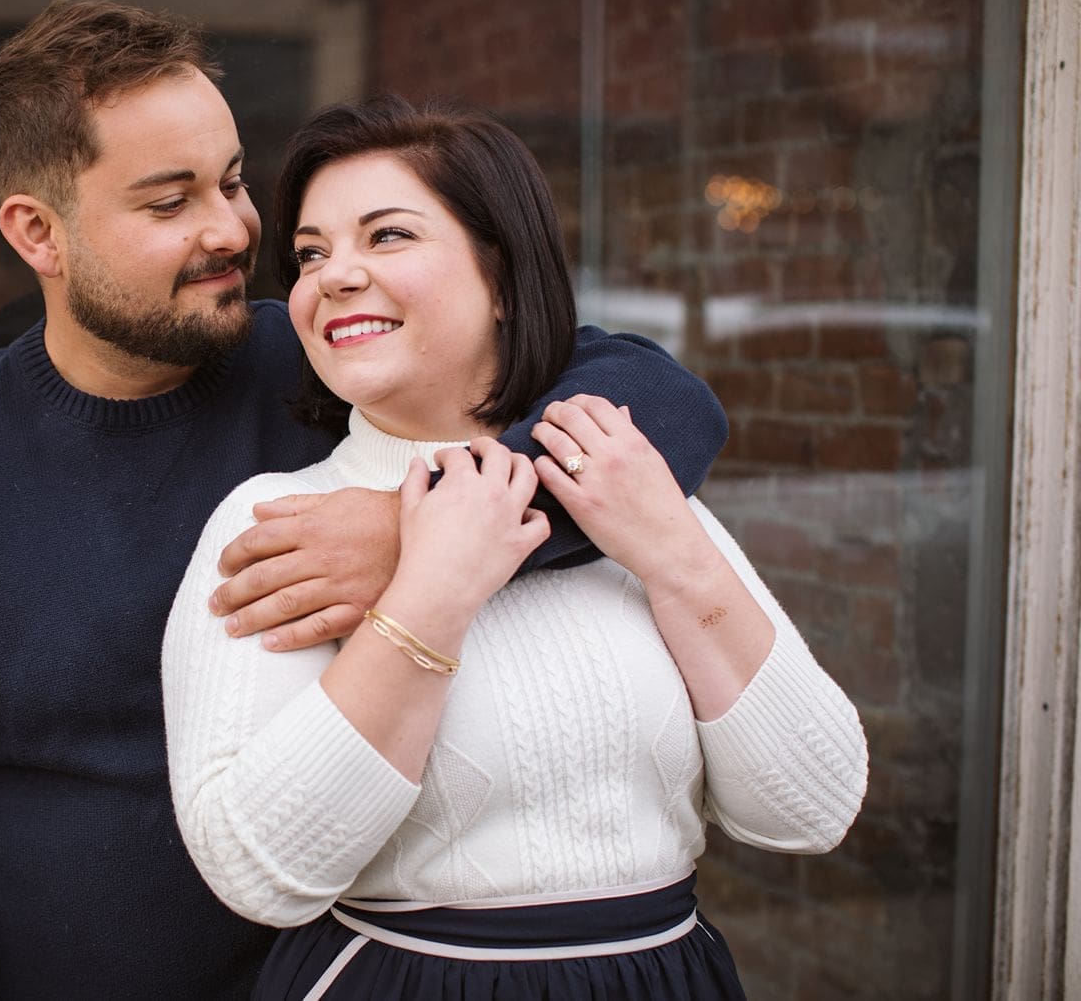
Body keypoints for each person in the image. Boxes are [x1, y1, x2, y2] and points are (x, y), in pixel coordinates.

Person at [0, 0, 729, 1000]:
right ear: (35, 232)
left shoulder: (329, 363)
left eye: (232, 180)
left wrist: (425, 530)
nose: (231, 228)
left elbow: (664, 404)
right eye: (168, 201)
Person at [163, 95, 868, 999]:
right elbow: (256, 869)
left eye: (386, 236)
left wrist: (672, 551)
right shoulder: (285, 522)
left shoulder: (619, 478)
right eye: (310, 253)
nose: (333, 275)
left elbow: (811, 808)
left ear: (500, 277)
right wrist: (428, 595)